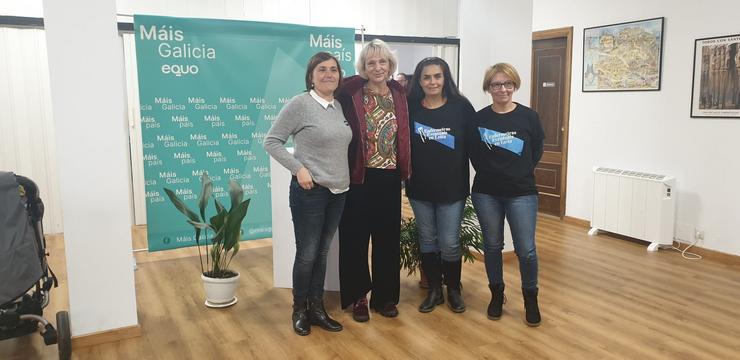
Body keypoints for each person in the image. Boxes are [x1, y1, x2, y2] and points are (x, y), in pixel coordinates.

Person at [264, 52, 352, 336]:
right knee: (307, 254)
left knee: (322, 252)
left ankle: (317, 308)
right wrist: (298, 168)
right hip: (310, 192)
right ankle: (299, 310)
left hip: (338, 191)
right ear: (311, 76)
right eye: (322, 70)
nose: (329, 74)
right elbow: (272, 141)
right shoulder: (299, 104)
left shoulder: (338, 106)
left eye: (334, 70)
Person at [336, 39, 411, 322]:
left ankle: (386, 297)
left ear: (390, 65)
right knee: (355, 238)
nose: (378, 67)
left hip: (390, 177)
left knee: (387, 239)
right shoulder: (351, 91)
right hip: (358, 177)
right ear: (363, 67)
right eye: (371, 63)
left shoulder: (399, 93)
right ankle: (359, 297)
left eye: (383, 62)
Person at [468, 63, 544, 327]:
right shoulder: (478, 119)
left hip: (522, 192)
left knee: (526, 250)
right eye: (496, 84)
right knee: (492, 246)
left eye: (507, 84)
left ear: (515, 85)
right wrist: (493, 173)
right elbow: (474, 154)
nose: (502, 89)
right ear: (488, 88)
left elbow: (536, 150)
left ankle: (530, 298)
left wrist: (519, 172)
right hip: (486, 192)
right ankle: (497, 294)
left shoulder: (529, 117)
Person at [405, 57, 474, 313]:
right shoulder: (410, 107)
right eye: (426, 77)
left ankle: (453, 290)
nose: (432, 81)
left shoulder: (461, 107)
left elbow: (475, 145)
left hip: (452, 188)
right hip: (420, 187)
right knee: (427, 239)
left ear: (445, 79)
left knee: (450, 242)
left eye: (437, 76)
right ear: (419, 81)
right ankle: (434, 290)